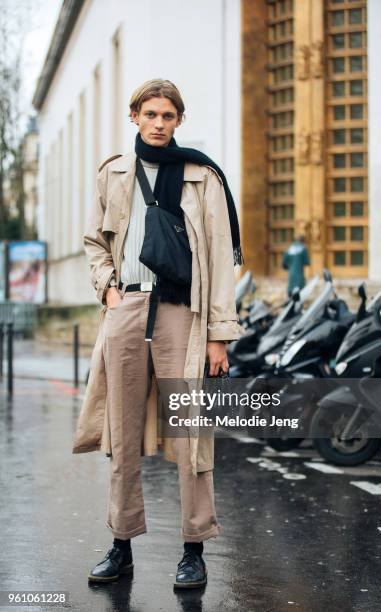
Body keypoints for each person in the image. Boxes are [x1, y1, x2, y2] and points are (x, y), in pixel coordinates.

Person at [72, 79, 244, 588]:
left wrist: (218, 334)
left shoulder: (202, 177)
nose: (159, 122)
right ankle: (121, 544)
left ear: (178, 120)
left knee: (189, 430)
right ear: (135, 116)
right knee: (121, 433)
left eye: (168, 115)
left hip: (182, 312)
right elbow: (94, 240)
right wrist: (107, 292)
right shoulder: (114, 173)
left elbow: (218, 256)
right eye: (151, 113)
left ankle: (193, 548)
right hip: (126, 306)